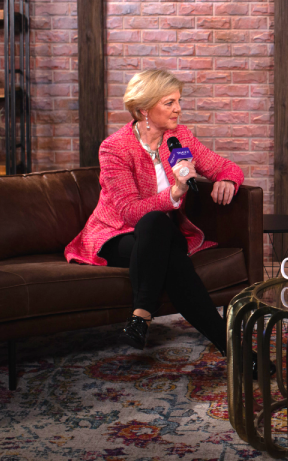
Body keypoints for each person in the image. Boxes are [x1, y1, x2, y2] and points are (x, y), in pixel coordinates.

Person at [64, 70, 259, 373]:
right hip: (117, 236)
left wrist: (229, 182)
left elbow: (225, 166)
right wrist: (176, 192)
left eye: (178, 101)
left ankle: (140, 317)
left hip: (165, 234)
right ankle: (237, 351)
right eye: (169, 103)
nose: (178, 109)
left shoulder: (179, 138)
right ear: (144, 109)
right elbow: (129, 212)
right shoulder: (114, 147)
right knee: (159, 232)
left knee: (160, 228)